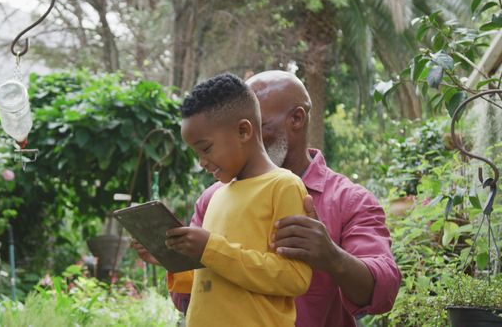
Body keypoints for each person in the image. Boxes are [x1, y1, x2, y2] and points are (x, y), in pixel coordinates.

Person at [134, 70, 401, 327]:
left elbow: (385, 292)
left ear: (296, 119)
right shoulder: (212, 198)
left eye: (260, 125)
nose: (253, 138)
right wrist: (174, 258)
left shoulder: (348, 200)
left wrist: (332, 257)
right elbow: (197, 298)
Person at [164, 73, 312, 326]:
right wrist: (170, 255)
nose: (201, 162)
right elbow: (216, 275)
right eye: (196, 153)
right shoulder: (217, 196)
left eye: (206, 148)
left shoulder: (283, 186)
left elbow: (294, 277)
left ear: (244, 130)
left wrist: (210, 248)